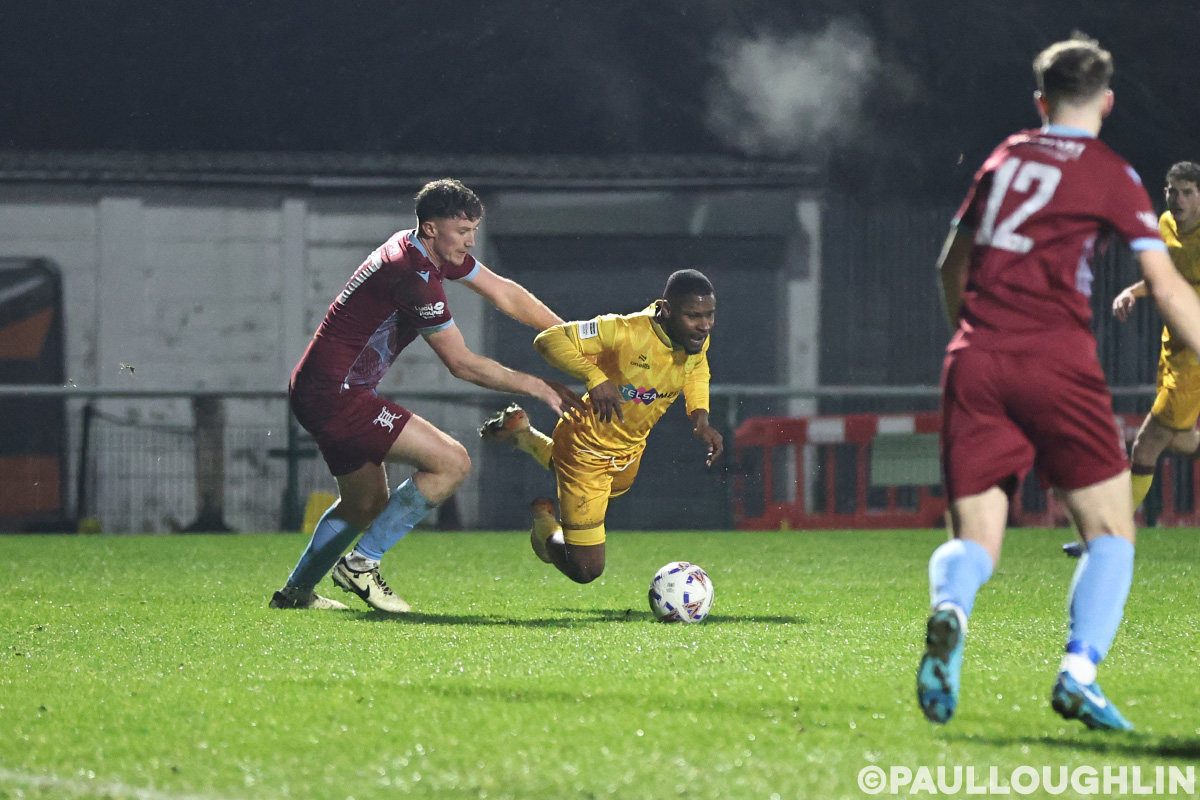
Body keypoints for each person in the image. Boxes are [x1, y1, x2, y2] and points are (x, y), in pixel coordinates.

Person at [917, 36, 1200, 731]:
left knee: (975, 539)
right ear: (1107, 102)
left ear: (1040, 101)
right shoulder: (1110, 173)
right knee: (1111, 532)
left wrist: (976, 336)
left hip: (975, 356)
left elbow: (950, 265)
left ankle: (950, 611)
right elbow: (1166, 287)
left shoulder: (1005, 157)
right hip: (1055, 359)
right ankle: (1078, 673)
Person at [271, 178, 582, 612]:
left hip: (318, 388)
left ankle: (294, 595)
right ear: (432, 228)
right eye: (463, 231)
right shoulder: (413, 274)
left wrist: (569, 335)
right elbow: (462, 364)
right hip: (338, 395)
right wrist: (539, 386)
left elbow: (503, 291)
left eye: (473, 230)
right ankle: (361, 564)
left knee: (364, 503)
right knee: (452, 462)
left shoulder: (420, 248)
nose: (470, 241)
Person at [478, 269, 723, 584]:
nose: (704, 325)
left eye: (709, 314)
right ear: (666, 310)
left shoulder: (694, 338)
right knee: (586, 569)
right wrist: (594, 377)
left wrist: (700, 417)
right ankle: (544, 528)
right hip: (585, 444)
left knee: (614, 488)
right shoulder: (623, 330)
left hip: (629, 448)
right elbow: (548, 340)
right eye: (693, 316)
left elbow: (697, 368)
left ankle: (524, 437)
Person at [1063, 161, 1200, 558]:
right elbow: (1165, 278)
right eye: (1172, 191)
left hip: (1194, 360)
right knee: (1181, 439)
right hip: (1171, 348)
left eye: (1187, 192)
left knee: (1145, 446)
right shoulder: (1165, 226)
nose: (1177, 199)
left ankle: (1106, 536)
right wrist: (1132, 292)